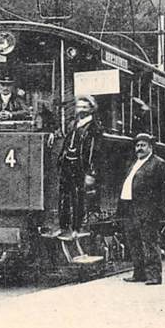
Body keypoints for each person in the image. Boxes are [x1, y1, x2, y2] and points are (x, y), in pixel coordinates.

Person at [118, 132, 165, 285]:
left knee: (150, 242)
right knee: (134, 242)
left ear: (150, 147)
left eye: (143, 145)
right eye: (137, 145)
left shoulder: (158, 163)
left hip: (148, 210)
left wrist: (154, 207)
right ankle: (139, 273)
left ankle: (155, 276)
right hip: (131, 209)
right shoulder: (134, 163)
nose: (139, 148)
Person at [54, 95, 103, 234]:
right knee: (64, 196)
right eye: (79, 107)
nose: (81, 110)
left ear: (91, 109)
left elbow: (95, 152)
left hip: (81, 166)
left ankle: (77, 228)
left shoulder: (94, 128)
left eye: (84, 107)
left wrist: (91, 173)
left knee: (78, 197)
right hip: (67, 165)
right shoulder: (74, 124)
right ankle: (63, 227)